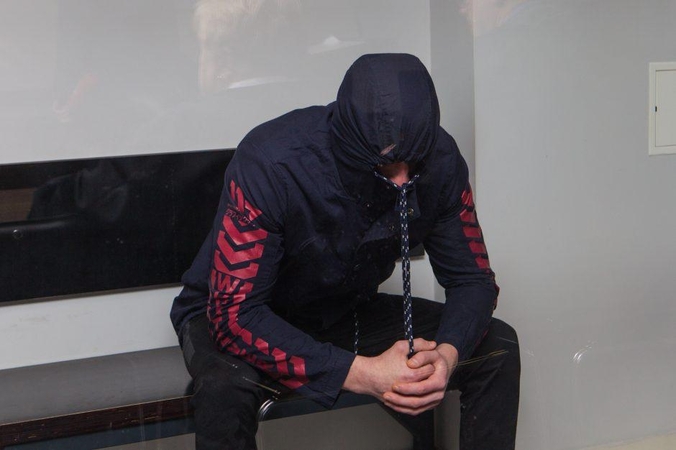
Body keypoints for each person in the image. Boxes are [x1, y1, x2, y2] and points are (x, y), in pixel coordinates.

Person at [170, 53, 520, 450]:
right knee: (225, 386)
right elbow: (234, 316)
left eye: (413, 165)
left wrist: (447, 355)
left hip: (342, 309)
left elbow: (473, 281)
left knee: (497, 346)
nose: (402, 181)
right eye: (386, 168)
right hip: (237, 312)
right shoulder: (272, 160)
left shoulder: (441, 159)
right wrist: (365, 374)